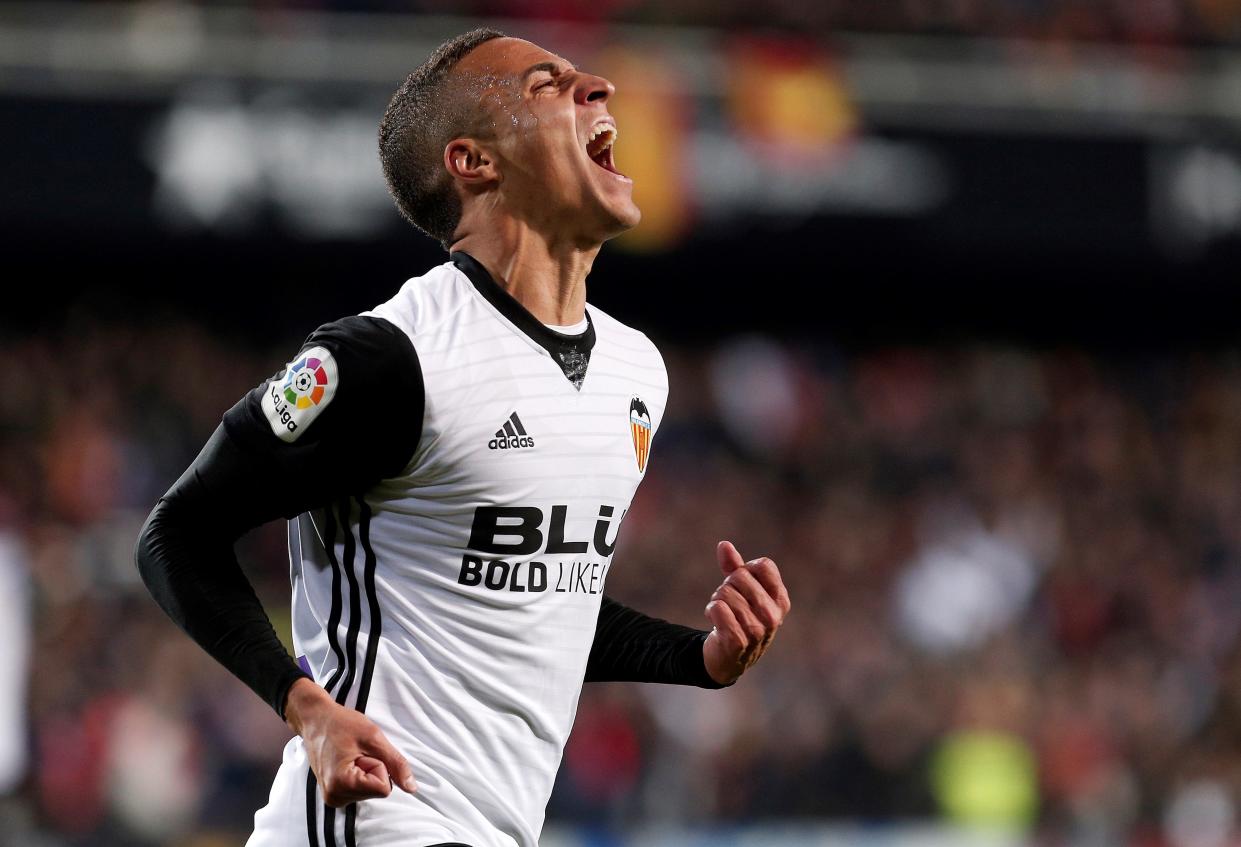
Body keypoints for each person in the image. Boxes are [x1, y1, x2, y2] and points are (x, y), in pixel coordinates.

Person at [135, 28, 791, 847]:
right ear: (473, 162)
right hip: (374, 812)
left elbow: (543, 606)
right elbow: (177, 532)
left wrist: (699, 658)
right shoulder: (390, 358)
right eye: (547, 85)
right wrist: (306, 709)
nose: (598, 86)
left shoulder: (635, 371)